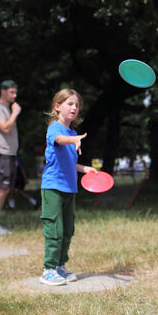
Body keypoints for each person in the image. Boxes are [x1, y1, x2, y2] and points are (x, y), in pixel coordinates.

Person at [38, 89, 97, 286]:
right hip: (53, 187)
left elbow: (70, 163)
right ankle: (48, 269)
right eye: (69, 103)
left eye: (77, 105)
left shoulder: (72, 133)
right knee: (54, 229)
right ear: (57, 107)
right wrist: (72, 140)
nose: (74, 107)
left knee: (67, 229)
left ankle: (60, 266)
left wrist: (85, 169)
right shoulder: (56, 129)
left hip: (69, 188)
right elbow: (59, 141)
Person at [0, 80, 21, 237]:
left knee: (5, 189)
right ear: (3, 91)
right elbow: (5, 128)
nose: (14, 95)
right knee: (0, 190)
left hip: (9, 154)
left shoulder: (6, 108)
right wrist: (15, 113)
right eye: (11, 92)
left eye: (15, 92)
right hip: (1, 153)